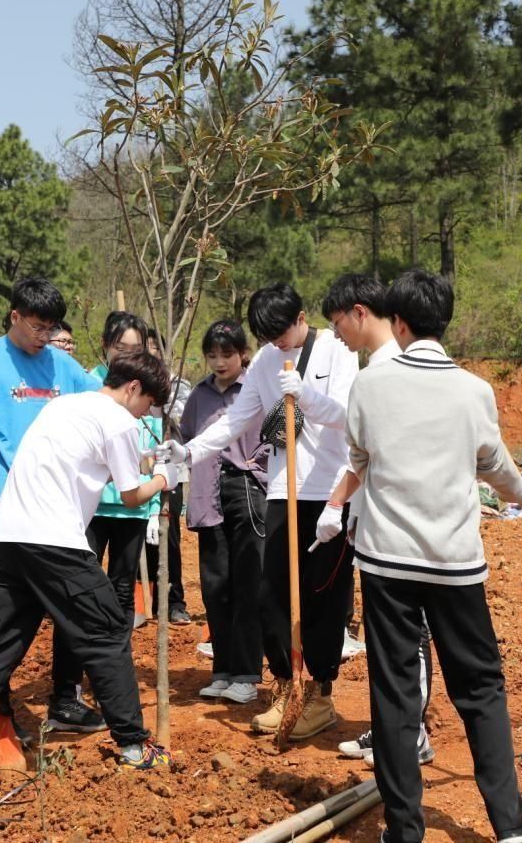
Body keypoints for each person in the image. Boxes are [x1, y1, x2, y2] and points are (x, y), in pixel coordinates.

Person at [347, 269, 522, 843]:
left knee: (393, 691)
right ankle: (511, 825)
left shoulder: (369, 386)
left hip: (386, 562)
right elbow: (494, 465)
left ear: (401, 323)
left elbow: (360, 455)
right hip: (454, 563)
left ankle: (404, 831)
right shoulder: (474, 390)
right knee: (481, 686)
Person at [0, 351, 179, 792]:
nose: (146, 415)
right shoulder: (118, 419)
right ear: (134, 389)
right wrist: (166, 479)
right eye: (149, 405)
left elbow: (93, 464)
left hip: (5, 541)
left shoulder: (62, 406)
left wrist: (150, 460)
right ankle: (135, 749)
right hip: (55, 542)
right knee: (105, 633)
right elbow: (129, 496)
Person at [161, 282, 360, 740]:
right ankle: (286, 687)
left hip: (330, 491)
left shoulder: (337, 351)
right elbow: (236, 420)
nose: (276, 343)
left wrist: (307, 396)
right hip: (281, 491)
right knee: (271, 595)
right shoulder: (268, 362)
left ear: (302, 317)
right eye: (268, 337)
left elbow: (352, 417)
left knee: (323, 598)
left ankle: (321, 695)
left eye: (282, 333)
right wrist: (189, 453)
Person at [0, 277, 104, 733]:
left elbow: (98, 406)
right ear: (15, 317)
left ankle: (65, 698)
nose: (45, 337)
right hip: (1, 498)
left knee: (71, 599)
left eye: (51, 328)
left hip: (60, 500)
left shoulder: (64, 366)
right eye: (37, 327)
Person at [317, 273, 435, 768]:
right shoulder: (375, 367)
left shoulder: (393, 369)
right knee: (384, 634)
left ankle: (412, 735)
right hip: (375, 523)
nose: (338, 334)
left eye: (338, 322)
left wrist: (335, 503)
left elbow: (372, 457)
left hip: (400, 526)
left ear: (360, 312)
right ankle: (391, 728)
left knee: (409, 633)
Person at [178, 320, 267, 704]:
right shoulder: (199, 395)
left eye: (227, 354)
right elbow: (185, 439)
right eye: (212, 355)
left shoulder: (256, 390)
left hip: (246, 490)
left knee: (249, 583)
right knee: (216, 585)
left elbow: (277, 437)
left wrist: (255, 465)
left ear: (242, 354)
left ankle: (248, 673)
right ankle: (223, 669)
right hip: (206, 493)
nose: (219, 362)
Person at [87, 312, 163, 627]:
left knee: (122, 586)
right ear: (106, 345)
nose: (128, 355)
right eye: (121, 347)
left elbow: (153, 451)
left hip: (133, 506)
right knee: (85, 585)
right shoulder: (90, 384)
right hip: (92, 503)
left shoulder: (149, 389)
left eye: (136, 349)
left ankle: (116, 662)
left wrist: (155, 508)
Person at [144, 328, 190, 624]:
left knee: (168, 536)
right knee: (137, 538)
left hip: (170, 470)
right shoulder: (128, 383)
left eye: (154, 348)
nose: (150, 353)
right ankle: (141, 603)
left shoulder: (178, 385)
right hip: (137, 468)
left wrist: (163, 396)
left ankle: (173, 602)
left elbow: (183, 418)